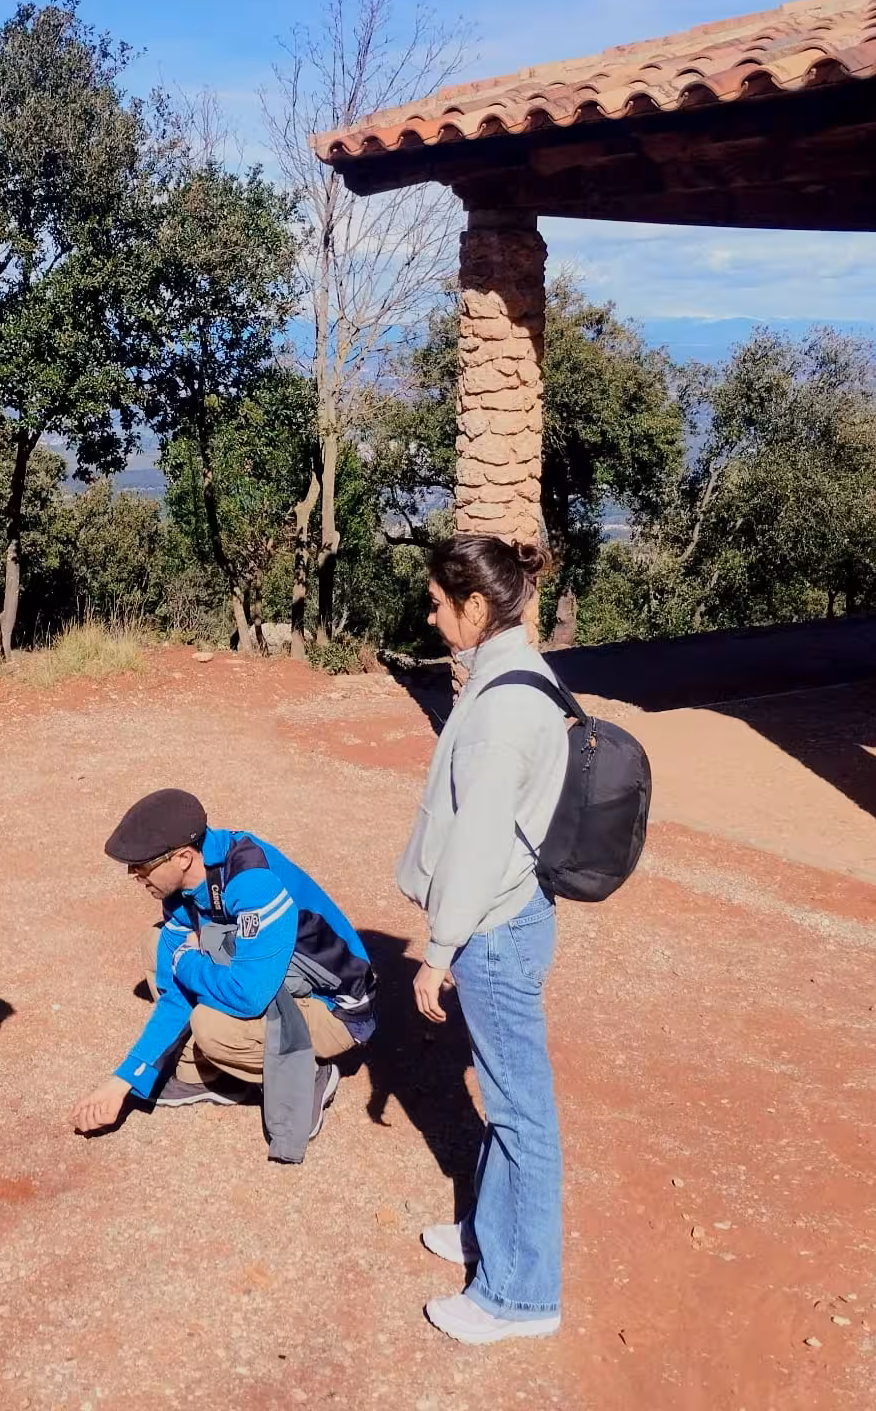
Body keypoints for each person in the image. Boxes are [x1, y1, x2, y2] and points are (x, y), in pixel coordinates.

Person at [397, 534, 570, 1345]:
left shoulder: (501, 709)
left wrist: (438, 953)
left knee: (521, 1115)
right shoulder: (513, 674)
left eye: (438, 604)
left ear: (474, 605)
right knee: (506, 1105)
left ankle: (520, 1296)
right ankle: (489, 1234)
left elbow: (479, 844)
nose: (432, 618)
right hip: (511, 915)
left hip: (493, 930)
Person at [71, 788, 377, 1162]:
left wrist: (187, 963)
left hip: (334, 1008)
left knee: (212, 1026)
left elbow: (248, 995)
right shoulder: (184, 890)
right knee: (158, 946)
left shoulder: (252, 882)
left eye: (142, 866)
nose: (134, 875)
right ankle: (212, 1074)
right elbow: (175, 993)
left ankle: (309, 1072)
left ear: (183, 858)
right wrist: (122, 1081)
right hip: (276, 974)